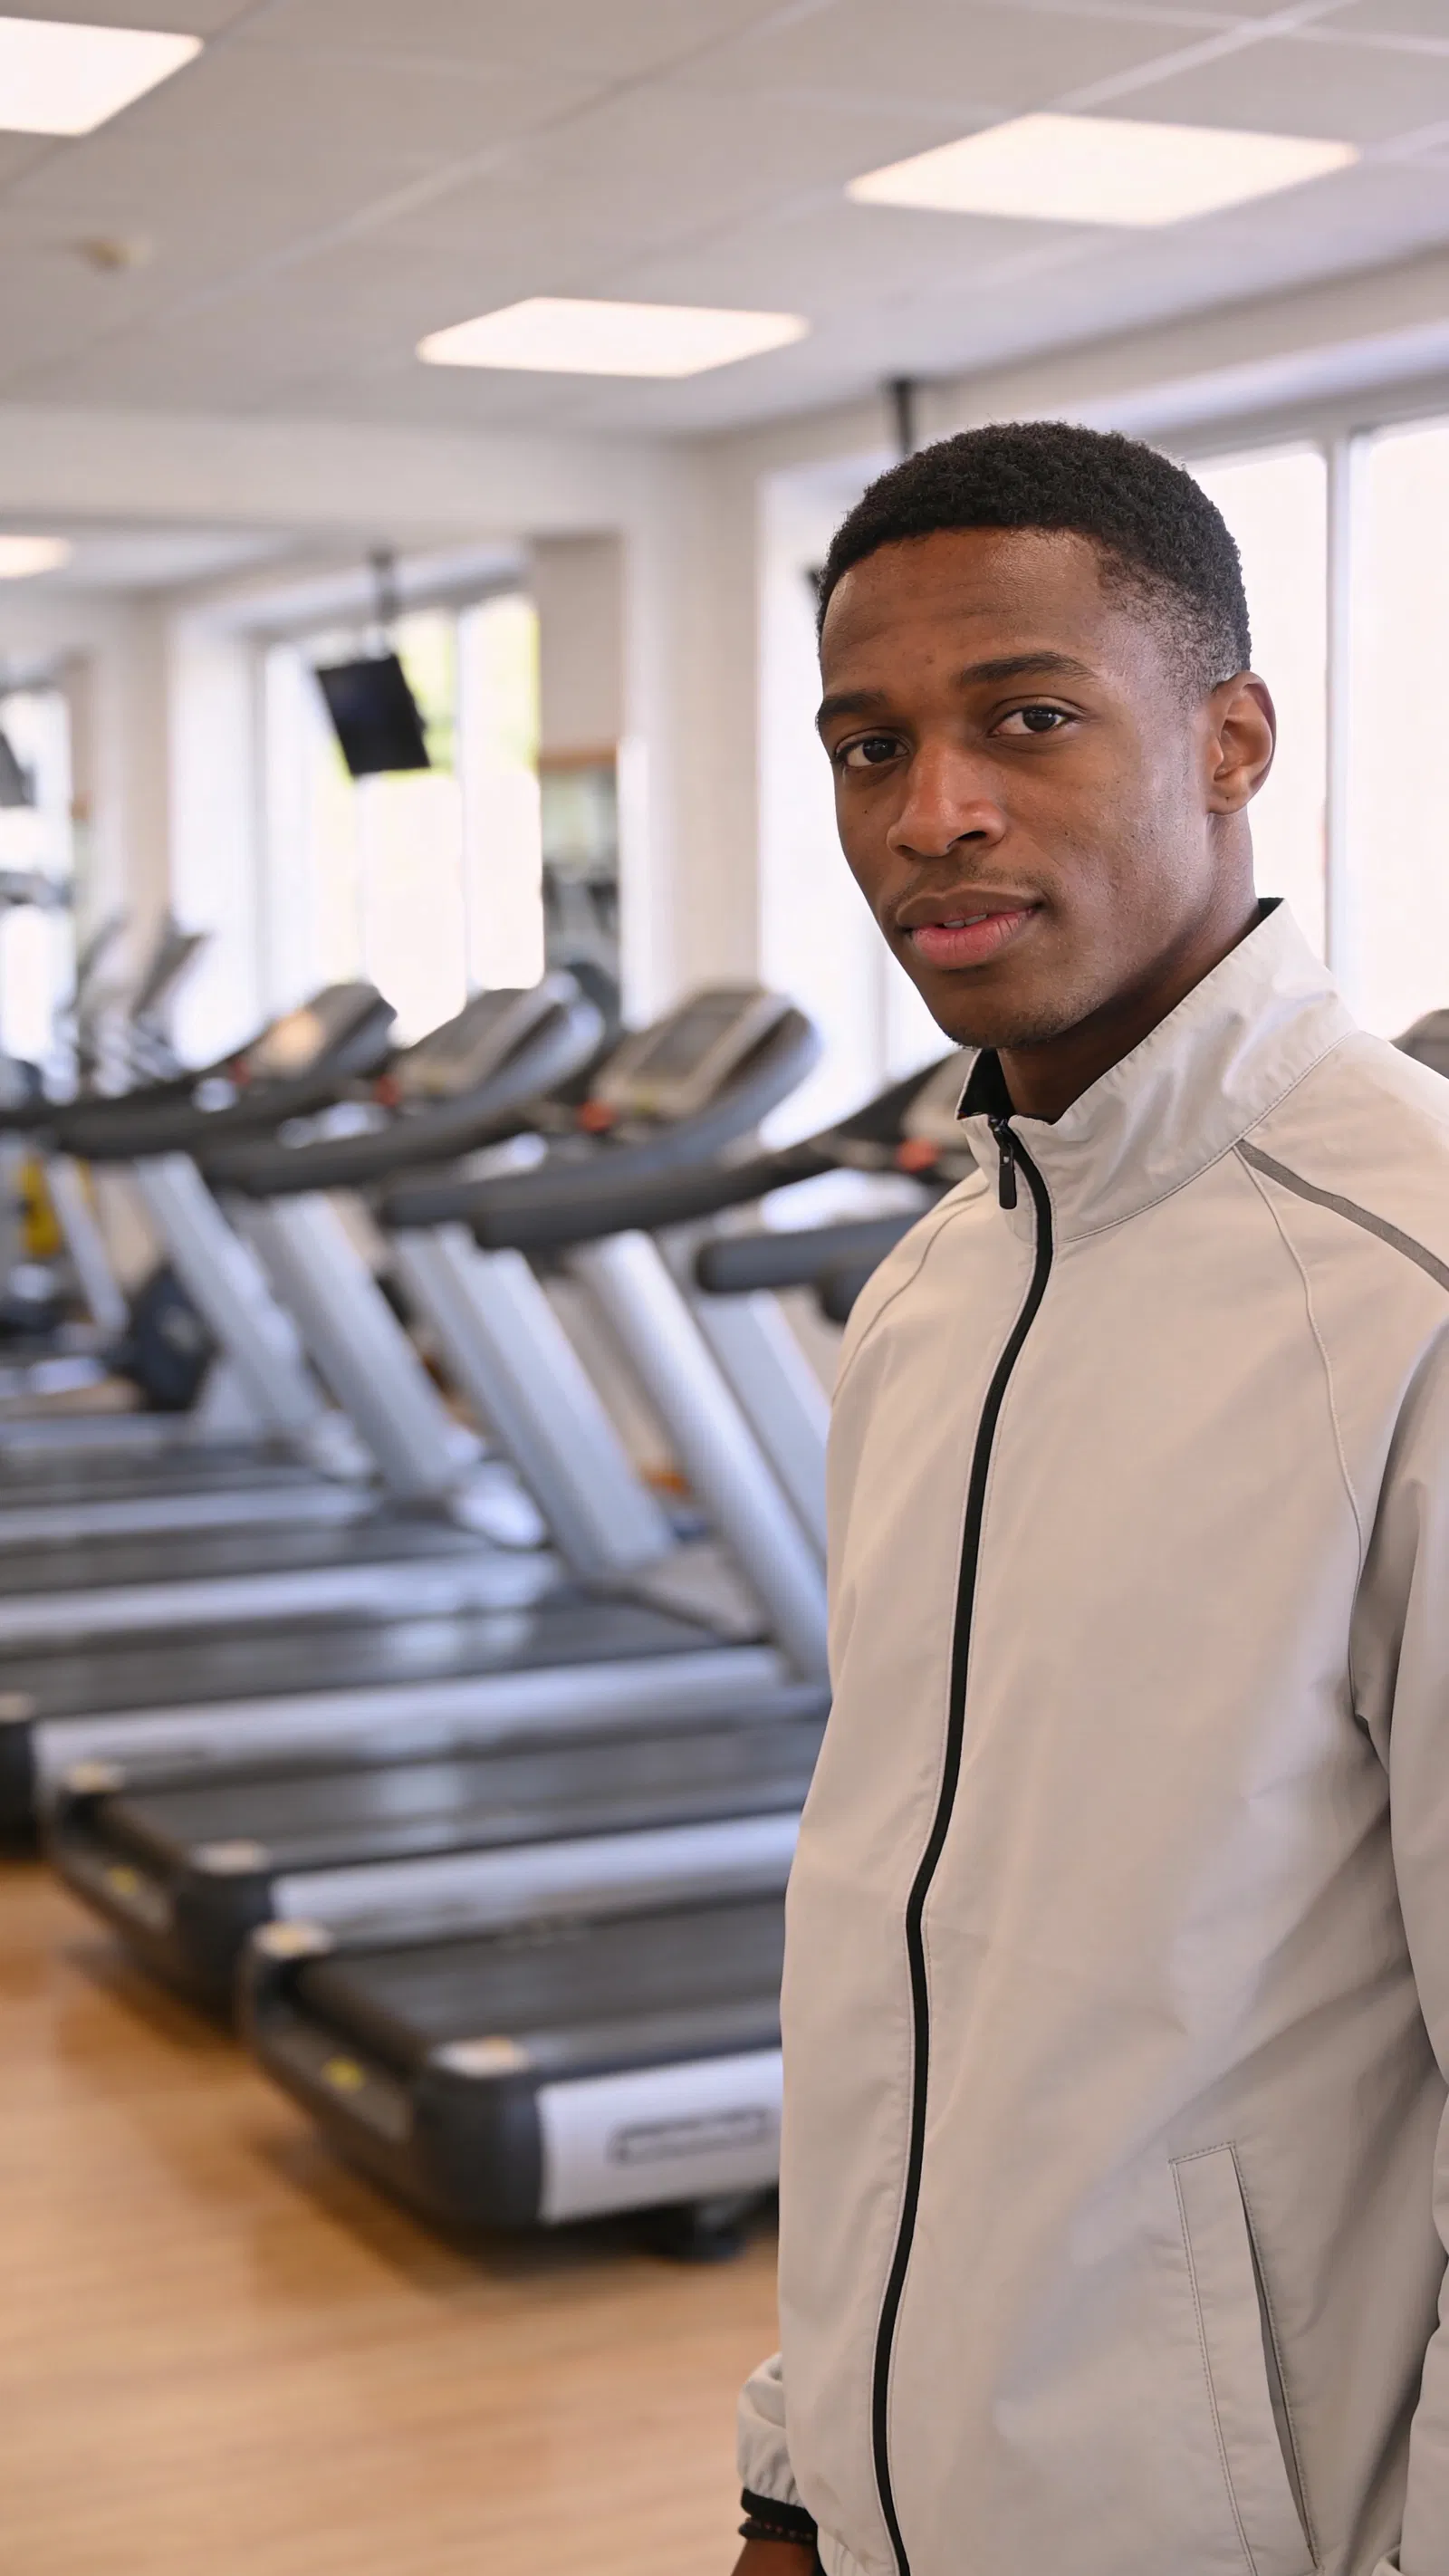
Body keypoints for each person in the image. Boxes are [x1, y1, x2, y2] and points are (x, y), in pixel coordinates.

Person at [732, 422, 1449, 2576]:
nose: (929, 810)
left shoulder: (1406, 1294)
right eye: (868, 745)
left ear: (1229, 741)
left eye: (1023, 720)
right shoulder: (930, 1291)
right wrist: (794, 2470)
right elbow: (887, 1980)